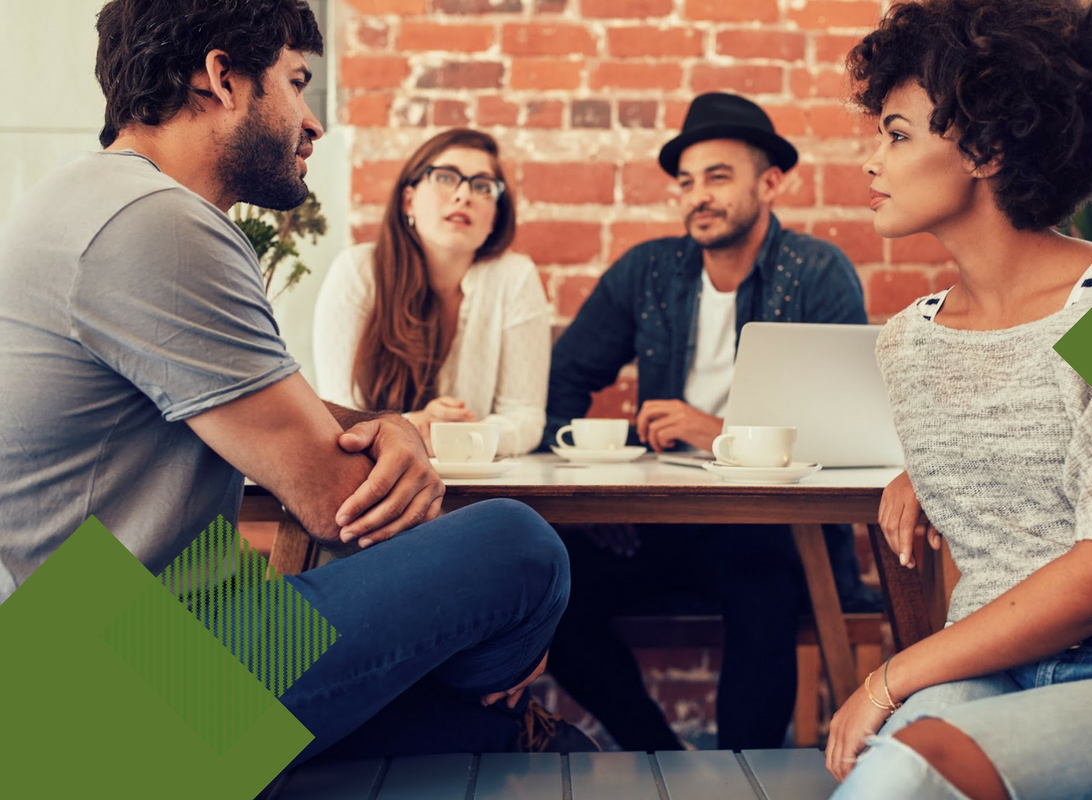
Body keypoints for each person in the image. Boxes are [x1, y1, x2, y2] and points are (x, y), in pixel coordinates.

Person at [0, 0, 587, 761]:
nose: (314, 123)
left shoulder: (85, 200)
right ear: (222, 77)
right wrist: (499, 621)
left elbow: (277, 415)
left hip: (108, 657)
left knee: (524, 747)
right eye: (296, 82)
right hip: (123, 680)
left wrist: (392, 422)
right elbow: (338, 503)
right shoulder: (156, 225)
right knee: (520, 553)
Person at [824, 2, 1092, 798]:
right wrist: (930, 472)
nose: (870, 161)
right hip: (992, 664)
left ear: (987, 149)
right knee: (882, 767)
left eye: (896, 133)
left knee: (906, 773)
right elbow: (1002, 510)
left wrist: (887, 679)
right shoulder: (909, 341)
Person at [542, 92, 878, 751]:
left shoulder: (816, 272)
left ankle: (743, 773)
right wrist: (589, 496)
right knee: (550, 597)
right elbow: (562, 381)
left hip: (770, 527)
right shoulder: (648, 272)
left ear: (770, 181)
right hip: (659, 519)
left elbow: (846, 434)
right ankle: (661, 760)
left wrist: (715, 432)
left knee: (763, 590)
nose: (698, 196)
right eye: (687, 183)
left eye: (718, 178)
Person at [313, 128, 548, 457]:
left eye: (482, 186)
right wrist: (413, 427)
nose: (464, 195)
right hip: (372, 477)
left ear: (494, 217)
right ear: (409, 200)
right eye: (445, 177)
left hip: (480, 480)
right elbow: (336, 414)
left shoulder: (515, 277)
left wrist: (461, 436)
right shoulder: (358, 271)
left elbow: (525, 418)